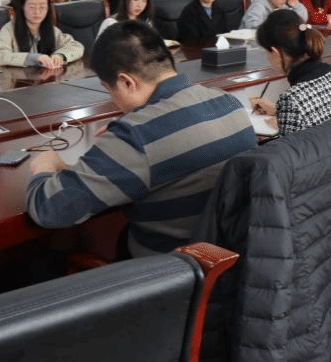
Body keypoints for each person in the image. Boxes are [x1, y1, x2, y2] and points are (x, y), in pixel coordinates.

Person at [26, 20, 256, 258]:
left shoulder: (136, 137)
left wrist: (46, 165)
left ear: (127, 82)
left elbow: (49, 209)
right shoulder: (228, 102)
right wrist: (131, 131)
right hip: (233, 257)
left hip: (171, 269)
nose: (114, 100)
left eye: (109, 90)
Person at [250, 9, 331, 135]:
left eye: (267, 52)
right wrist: (279, 112)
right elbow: (323, 115)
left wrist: (283, 119)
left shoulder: (292, 100)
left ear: (276, 53)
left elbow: (292, 148)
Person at [0, 0, 84, 68]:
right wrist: (33, 58)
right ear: (22, 6)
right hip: (18, 79)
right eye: (32, 7)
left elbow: (77, 47)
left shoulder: (51, 30)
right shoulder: (9, 29)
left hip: (46, 79)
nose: (37, 12)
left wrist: (60, 55)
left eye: (42, 7)